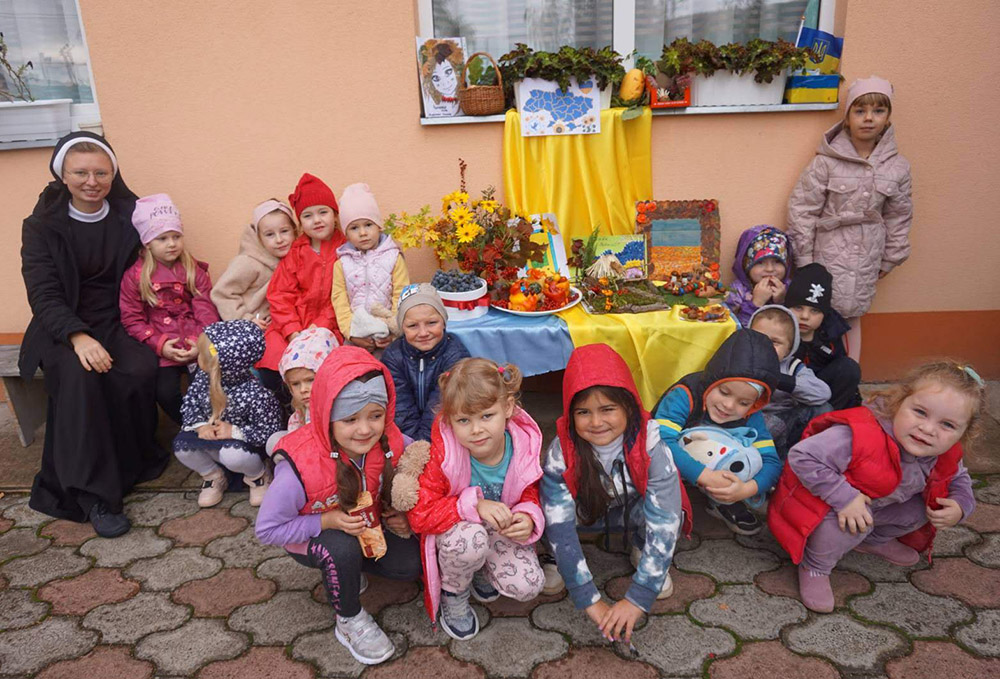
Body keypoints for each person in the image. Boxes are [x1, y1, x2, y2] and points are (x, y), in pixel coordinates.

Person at [20, 131, 168, 537]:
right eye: (80, 172)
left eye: (101, 172)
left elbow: (158, 261)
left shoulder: (130, 214)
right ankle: (93, 495)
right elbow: (43, 292)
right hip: (63, 326)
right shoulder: (41, 226)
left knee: (137, 368)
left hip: (121, 318)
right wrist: (77, 336)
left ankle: (130, 463)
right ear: (62, 176)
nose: (92, 181)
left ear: (113, 174)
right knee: (82, 376)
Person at [768, 361, 983, 613]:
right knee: (850, 525)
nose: (928, 429)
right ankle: (815, 565)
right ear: (899, 402)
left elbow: (958, 479)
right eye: (920, 412)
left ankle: (873, 540)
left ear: (964, 432)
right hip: (825, 508)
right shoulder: (859, 434)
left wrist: (959, 506)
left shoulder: (944, 451)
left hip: (877, 507)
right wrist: (845, 498)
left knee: (921, 510)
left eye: (947, 425)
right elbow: (802, 456)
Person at [256, 346, 421, 665]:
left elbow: (420, 467)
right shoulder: (299, 467)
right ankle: (348, 619)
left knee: (407, 565)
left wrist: (405, 515)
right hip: (314, 536)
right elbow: (267, 530)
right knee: (341, 549)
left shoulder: (389, 440)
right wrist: (326, 521)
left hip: (368, 525)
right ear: (325, 415)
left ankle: (345, 571)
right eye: (349, 419)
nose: (364, 429)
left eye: (375, 415)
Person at [541, 343, 690, 645]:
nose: (596, 423)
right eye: (583, 412)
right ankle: (554, 559)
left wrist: (638, 597)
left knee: (668, 513)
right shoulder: (562, 451)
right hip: (586, 512)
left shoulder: (651, 445)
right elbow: (560, 527)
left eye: (608, 409)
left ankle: (640, 546)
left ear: (629, 406)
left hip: (633, 512)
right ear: (571, 413)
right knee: (544, 514)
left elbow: (665, 520)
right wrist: (588, 599)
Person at [407, 358, 545, 641]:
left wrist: (529, 516)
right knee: (471, 541)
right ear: (448, 419)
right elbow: (420, 515)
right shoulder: (444, 456)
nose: (476, 430)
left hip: (498, 529)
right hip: (459, 533)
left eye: (486, 416)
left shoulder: (522, 447)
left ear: (507, 409)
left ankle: (481, 568)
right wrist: (474, 505)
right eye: (463, 420)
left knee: (529, 585)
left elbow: (530, 491)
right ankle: (454, 591)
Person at [787, 76, 912, 361]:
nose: (869, 119)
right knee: (818, 311)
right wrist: (805, 261)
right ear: (847, 117)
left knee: (854, 313)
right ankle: (815, 375)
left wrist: (891, 256)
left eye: (878, 111)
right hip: (827, 250)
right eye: (860, 111)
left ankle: (850, 376)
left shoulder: (897, 167)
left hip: (868, 252)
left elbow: (899, 215)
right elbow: (802, 209)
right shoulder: (826, 162)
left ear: (888, 117)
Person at [653, 329, 781, 536]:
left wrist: (747, 489)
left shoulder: (752, 413)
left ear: (756, 403)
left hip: (716, 463)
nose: (729, 406)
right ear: (712, 379)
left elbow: (772, 461)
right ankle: (656, 515)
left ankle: (725, 499)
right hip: (668, 463)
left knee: (752, 455)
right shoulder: (686, 394)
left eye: (744, 402)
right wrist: (704, 476)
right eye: (724, 392)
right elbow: (661, 441)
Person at [119, 194, 219, 424]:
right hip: (165, 347)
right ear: (147, 243)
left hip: (198, 342)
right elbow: (132, 318)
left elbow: (206, 309)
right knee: (165, 393)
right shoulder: (135, 277)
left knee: (212, 382)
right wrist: (161, 345)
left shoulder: (193, 270)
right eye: (162, 238)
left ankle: (216, 422)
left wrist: (199, 340)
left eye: (176, 236)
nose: (172, 243)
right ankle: (192, 427)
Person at [173, 321, 282, 507]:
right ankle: (213, 475)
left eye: (202, 356)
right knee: (181, 448)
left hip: (242, 445)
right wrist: (200, 425)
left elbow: (268, 431)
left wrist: (234, 431)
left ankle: (257, 476)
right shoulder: (202, 379)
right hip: (211, 438)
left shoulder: (255, 394)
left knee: (233, 456)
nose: (198, 359)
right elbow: (190, 404)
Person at [260, 174, 346, 389]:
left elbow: (346, 295)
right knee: (272, 364)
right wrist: (292, 330)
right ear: (300, 222)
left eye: (323, 212)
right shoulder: (296, 252)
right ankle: (282, 413)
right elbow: (280, 295)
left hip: (329, 326)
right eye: (308, 215)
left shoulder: (345, 250)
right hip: (292, 326)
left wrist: (320, 326)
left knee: (321, 368)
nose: (317, 220)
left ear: (335, 215)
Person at [382, 284, 470, 442]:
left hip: (446, 431)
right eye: (412, 326)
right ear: (402, 327)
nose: (423, 333)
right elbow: (401, 408)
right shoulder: (394, 356)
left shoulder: (456, 356)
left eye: (431, 323)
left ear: (444, 322)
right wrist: (414, 444)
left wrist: (425, 444)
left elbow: (441, 406)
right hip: (406, 433)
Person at [330, 183, 409, 351]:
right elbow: (339, 301)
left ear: (379, 226)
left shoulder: (393, 257)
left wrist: (394, 331)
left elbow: (401, 295)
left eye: (368, 224)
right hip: (357, 335)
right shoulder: (341, 264)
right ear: (346, 233)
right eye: (354, 227)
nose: (363, 233)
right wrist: (350, 333)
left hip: (388, 332)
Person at [749, 305, 832, 458]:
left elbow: (822, 393)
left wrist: (780, 379)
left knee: (823, 408)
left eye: (775, 342)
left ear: (789, 348)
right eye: (758, 338)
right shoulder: (742, 361)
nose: (765, 346)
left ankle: (811, 455)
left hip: (787, 421)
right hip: (753, 424)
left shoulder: (793, 366)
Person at [211, 199, 297, 330]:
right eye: (270, 234)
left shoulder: (295, 260)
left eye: (284, 231)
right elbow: (222, 293)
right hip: (249, 327)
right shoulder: (248, 262)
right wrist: (246, 319)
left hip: (279, 325)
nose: (279, 240)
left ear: (294, 231)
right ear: (259, 238)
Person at [786, 263, 862, 410]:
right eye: (798, 308)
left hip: (822, 391)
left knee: (849, 368)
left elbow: (841, 369)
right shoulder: (779, 332)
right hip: (788, 392)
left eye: (814, 311)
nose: (805, 316)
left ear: (824, 314)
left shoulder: (830, 334)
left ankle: (830, 418)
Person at [264, 326, 339, 456]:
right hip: (308, 460)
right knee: (274, 443)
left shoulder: (341, 409)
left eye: (310, 380)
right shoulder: (299, 415)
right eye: (295, 384)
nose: (303, 389)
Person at [723, 225, 793, 327]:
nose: (770, 269)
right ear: (746, 265)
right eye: (760, 262)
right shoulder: (737, 291)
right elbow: (734, 329)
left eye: (777, 261)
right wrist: (756, 303)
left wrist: (781, 301)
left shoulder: (790, 288)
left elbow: (791, 328)